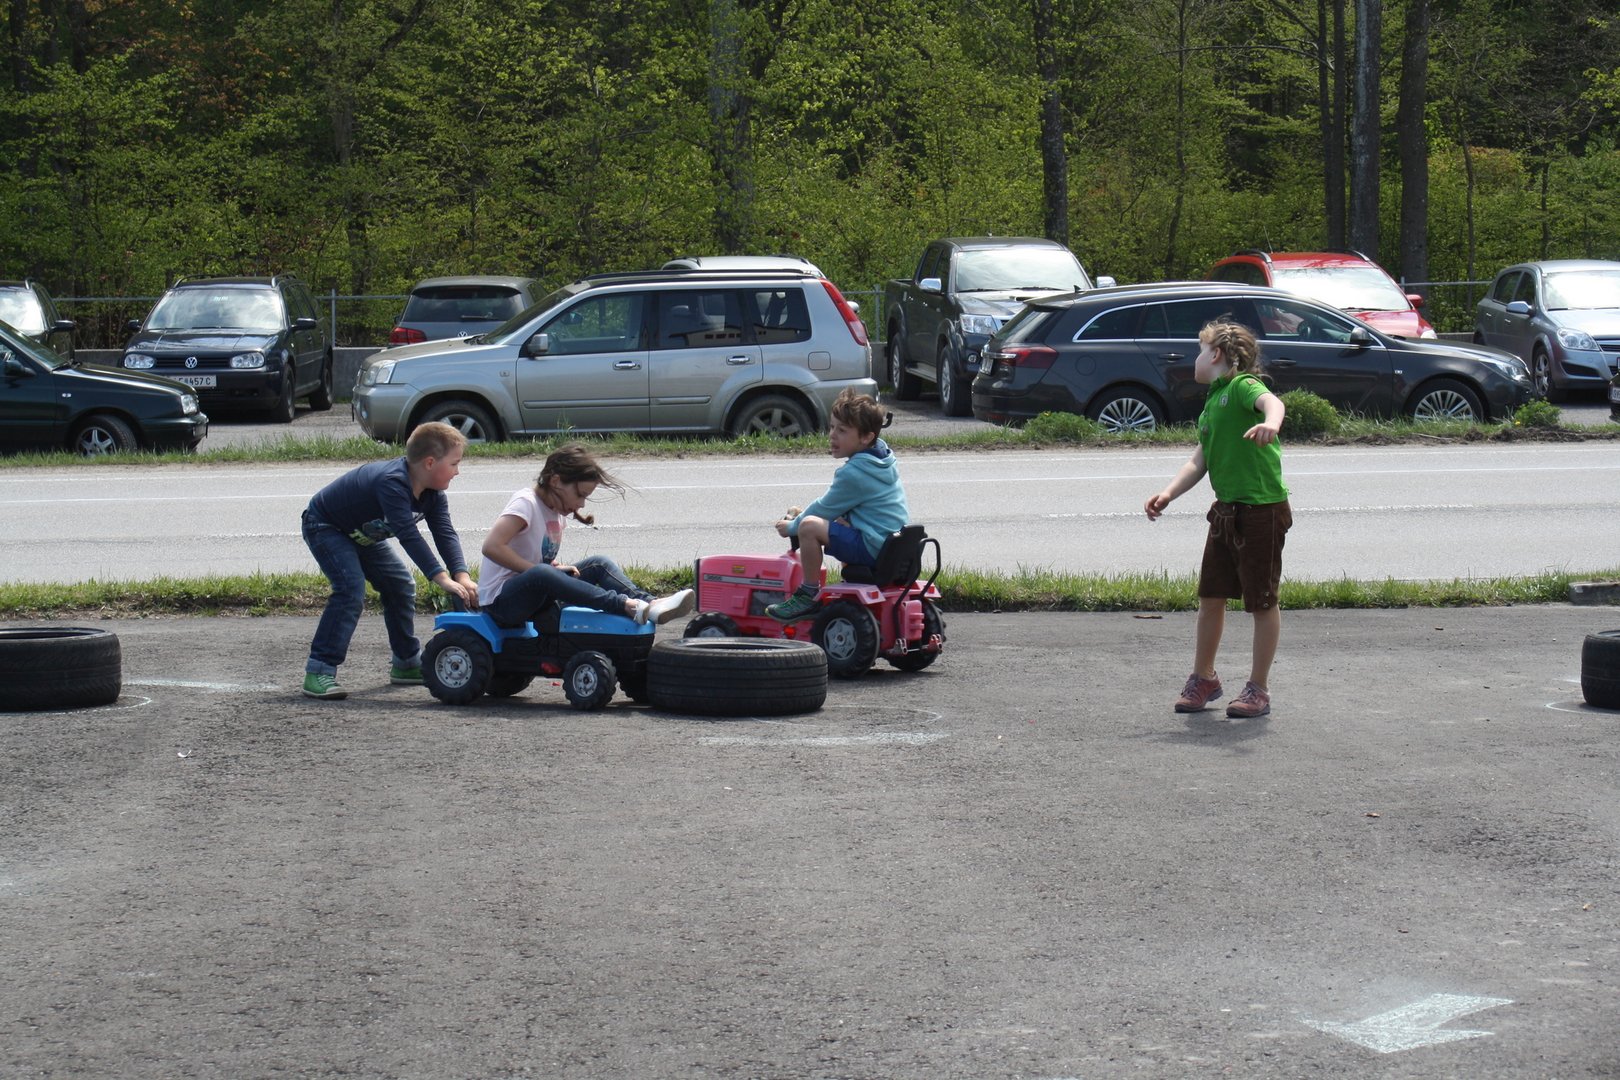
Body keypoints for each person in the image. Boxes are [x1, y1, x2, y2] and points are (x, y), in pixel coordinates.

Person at [1143, 318, 1290, 719]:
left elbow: (1272, 403)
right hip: (1226, 511)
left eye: (1199, 350)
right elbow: (1200, 460)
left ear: (1216, 354)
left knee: (1262, 601)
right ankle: (1204, 678)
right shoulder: (1212, 402)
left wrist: (1271, 424)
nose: (1195, 358)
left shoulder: (1242, 386)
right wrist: (1168, 493)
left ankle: (1259, 688)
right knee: (1211, 596)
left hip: (1262, 511)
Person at [300, 421, 479, 700]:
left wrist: (462, 575)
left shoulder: (433, 494)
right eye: (454, 464)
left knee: (399, 585)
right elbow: (408, 535)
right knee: (350, 590)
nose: (458, 471)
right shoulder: (392, 483)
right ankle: (319, 669)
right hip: (326, 527)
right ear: (430, 462)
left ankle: (406, 664)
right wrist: (441, 578)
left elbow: (444, 532)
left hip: (361, 535)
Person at [478, 443, 694, 629]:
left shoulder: (556, 512)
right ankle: (623, 605)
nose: (581, 504)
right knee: (541, 573)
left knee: (598, 564)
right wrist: (540, 571)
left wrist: (554, 568)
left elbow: (534, 554)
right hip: (501, 603)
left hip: (536, 594)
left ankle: (650, 603)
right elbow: (492, 547)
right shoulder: (526, 503)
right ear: (556, 481)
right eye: (580, 495)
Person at [766, 387, 910, 622]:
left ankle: (808, 595)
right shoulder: (882, 460)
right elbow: (837, 508)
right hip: (889, 546)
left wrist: (792, 527)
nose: (832, 435)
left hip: (872, 548)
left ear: (866, 437)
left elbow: (824, 508)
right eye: (832, 427)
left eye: (842, 430)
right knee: (836, 521)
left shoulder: (855, 473)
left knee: (809, 527)